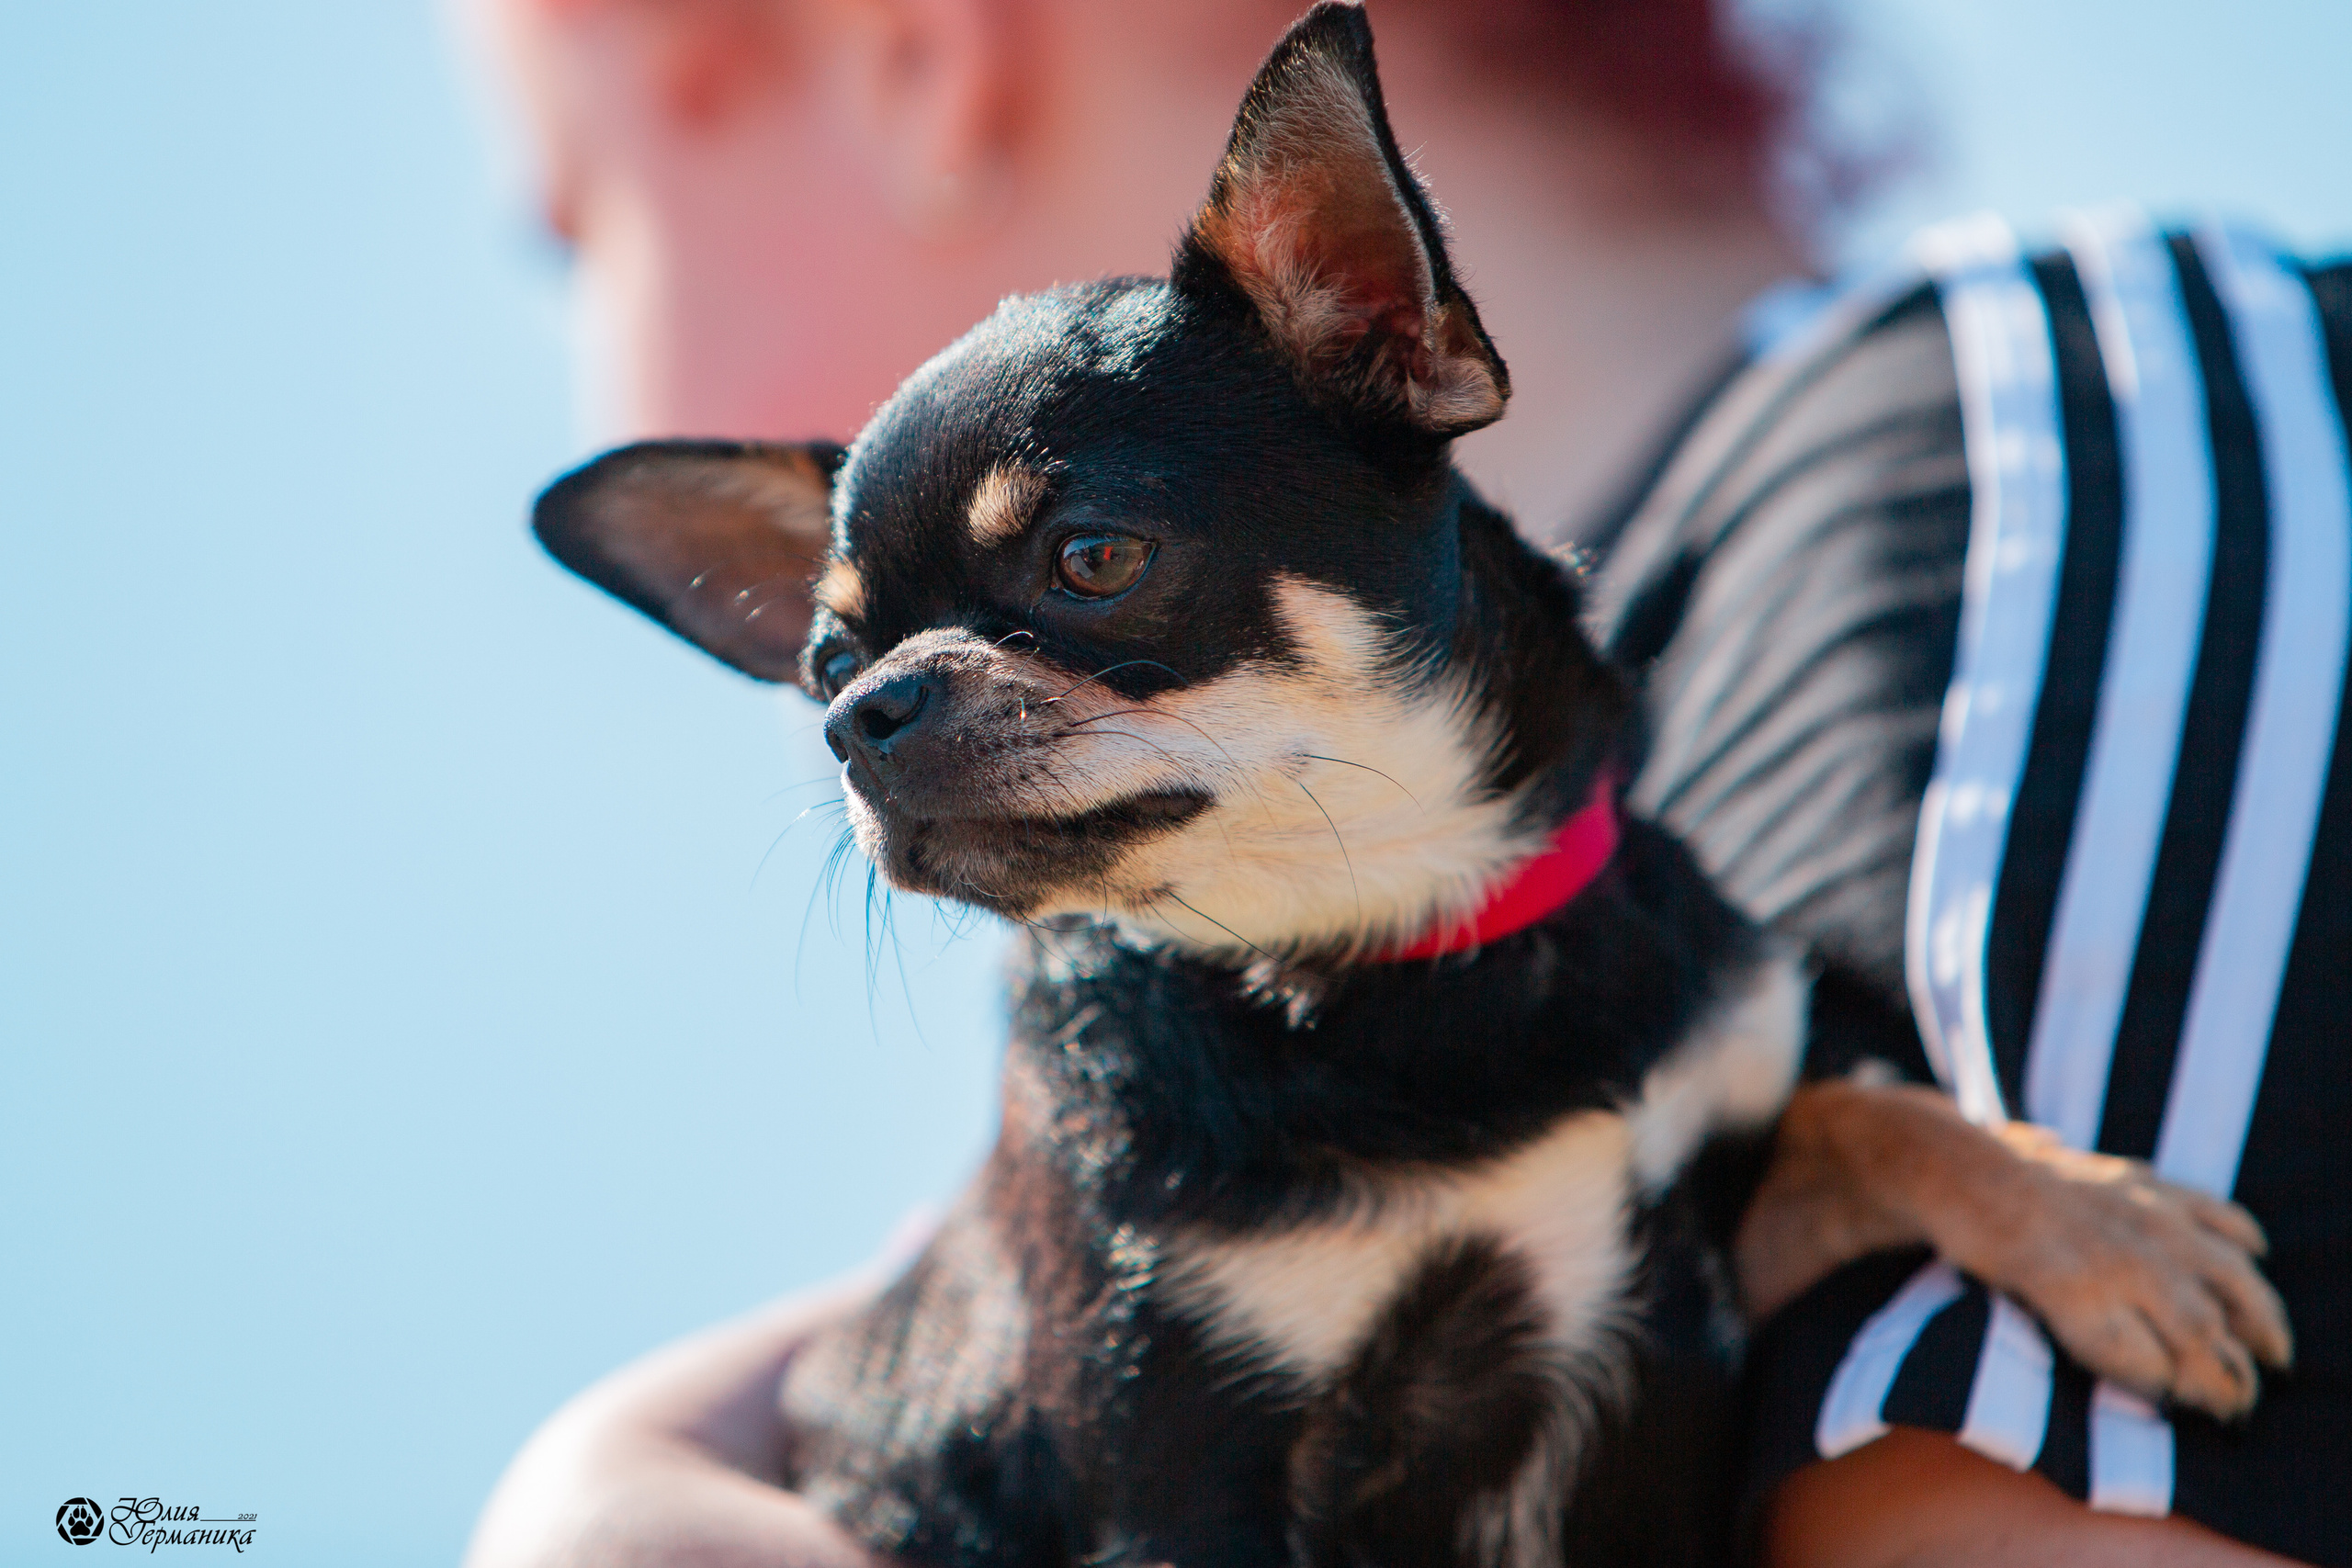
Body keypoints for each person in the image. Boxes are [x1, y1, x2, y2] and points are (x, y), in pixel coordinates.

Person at [460, 2, 2347, 1564]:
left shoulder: (2051, 457)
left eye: (573, 231)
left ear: (914, 53)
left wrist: (612, 1519)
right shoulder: (1236, 957)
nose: (859, 707)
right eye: (832, 663)